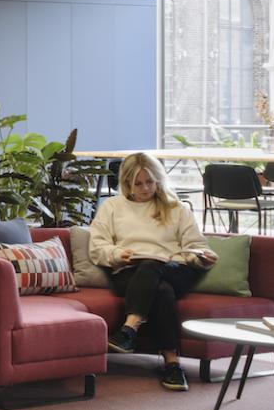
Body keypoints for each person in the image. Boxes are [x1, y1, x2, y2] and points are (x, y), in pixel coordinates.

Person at [89, 151, 218, 392]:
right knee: (161, 290)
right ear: (126, 183)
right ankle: (172, 363)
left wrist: (201, 256)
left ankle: (129, 328)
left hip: (175, 268)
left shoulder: (176, 208)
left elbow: (194, 245)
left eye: (150, 181)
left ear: (158, 180)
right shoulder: (113, 207)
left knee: (154, 267)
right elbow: (97, 247)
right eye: (138, 183)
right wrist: (118, 254)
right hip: (130, 271)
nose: (145, 188)